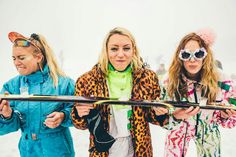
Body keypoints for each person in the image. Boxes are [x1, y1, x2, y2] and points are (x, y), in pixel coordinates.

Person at [71, 27, 199, 157]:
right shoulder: (87, 81)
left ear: (133, 50)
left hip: (139, 150)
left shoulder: (147, 78)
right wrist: (79, 113)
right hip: (103, 150)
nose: (120, 54)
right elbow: (80, 124)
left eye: (126, 48)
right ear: (106, 51)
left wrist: (168, 114)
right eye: (114, 49)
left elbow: (152, 116)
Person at [162, 30, 236, 157]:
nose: (192, 60)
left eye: (198, 54)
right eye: (186, 55)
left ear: (205, 56)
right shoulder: (170, 81)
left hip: (208, 129)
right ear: (179, 57)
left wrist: (224, 115)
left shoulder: (222, 80)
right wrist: (174, 116)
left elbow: (233, 114)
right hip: (179, 129)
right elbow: (160, 117)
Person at [0, 32, 75, 157]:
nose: (16, 62)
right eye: (14, 58)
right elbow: (4, 128)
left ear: (39, 57)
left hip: (58, 151)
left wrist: (63, 116)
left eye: (21, 58)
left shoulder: (63, 83)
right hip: (28, 151)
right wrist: (7, 115)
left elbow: (81, 116)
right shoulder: (12, 87)